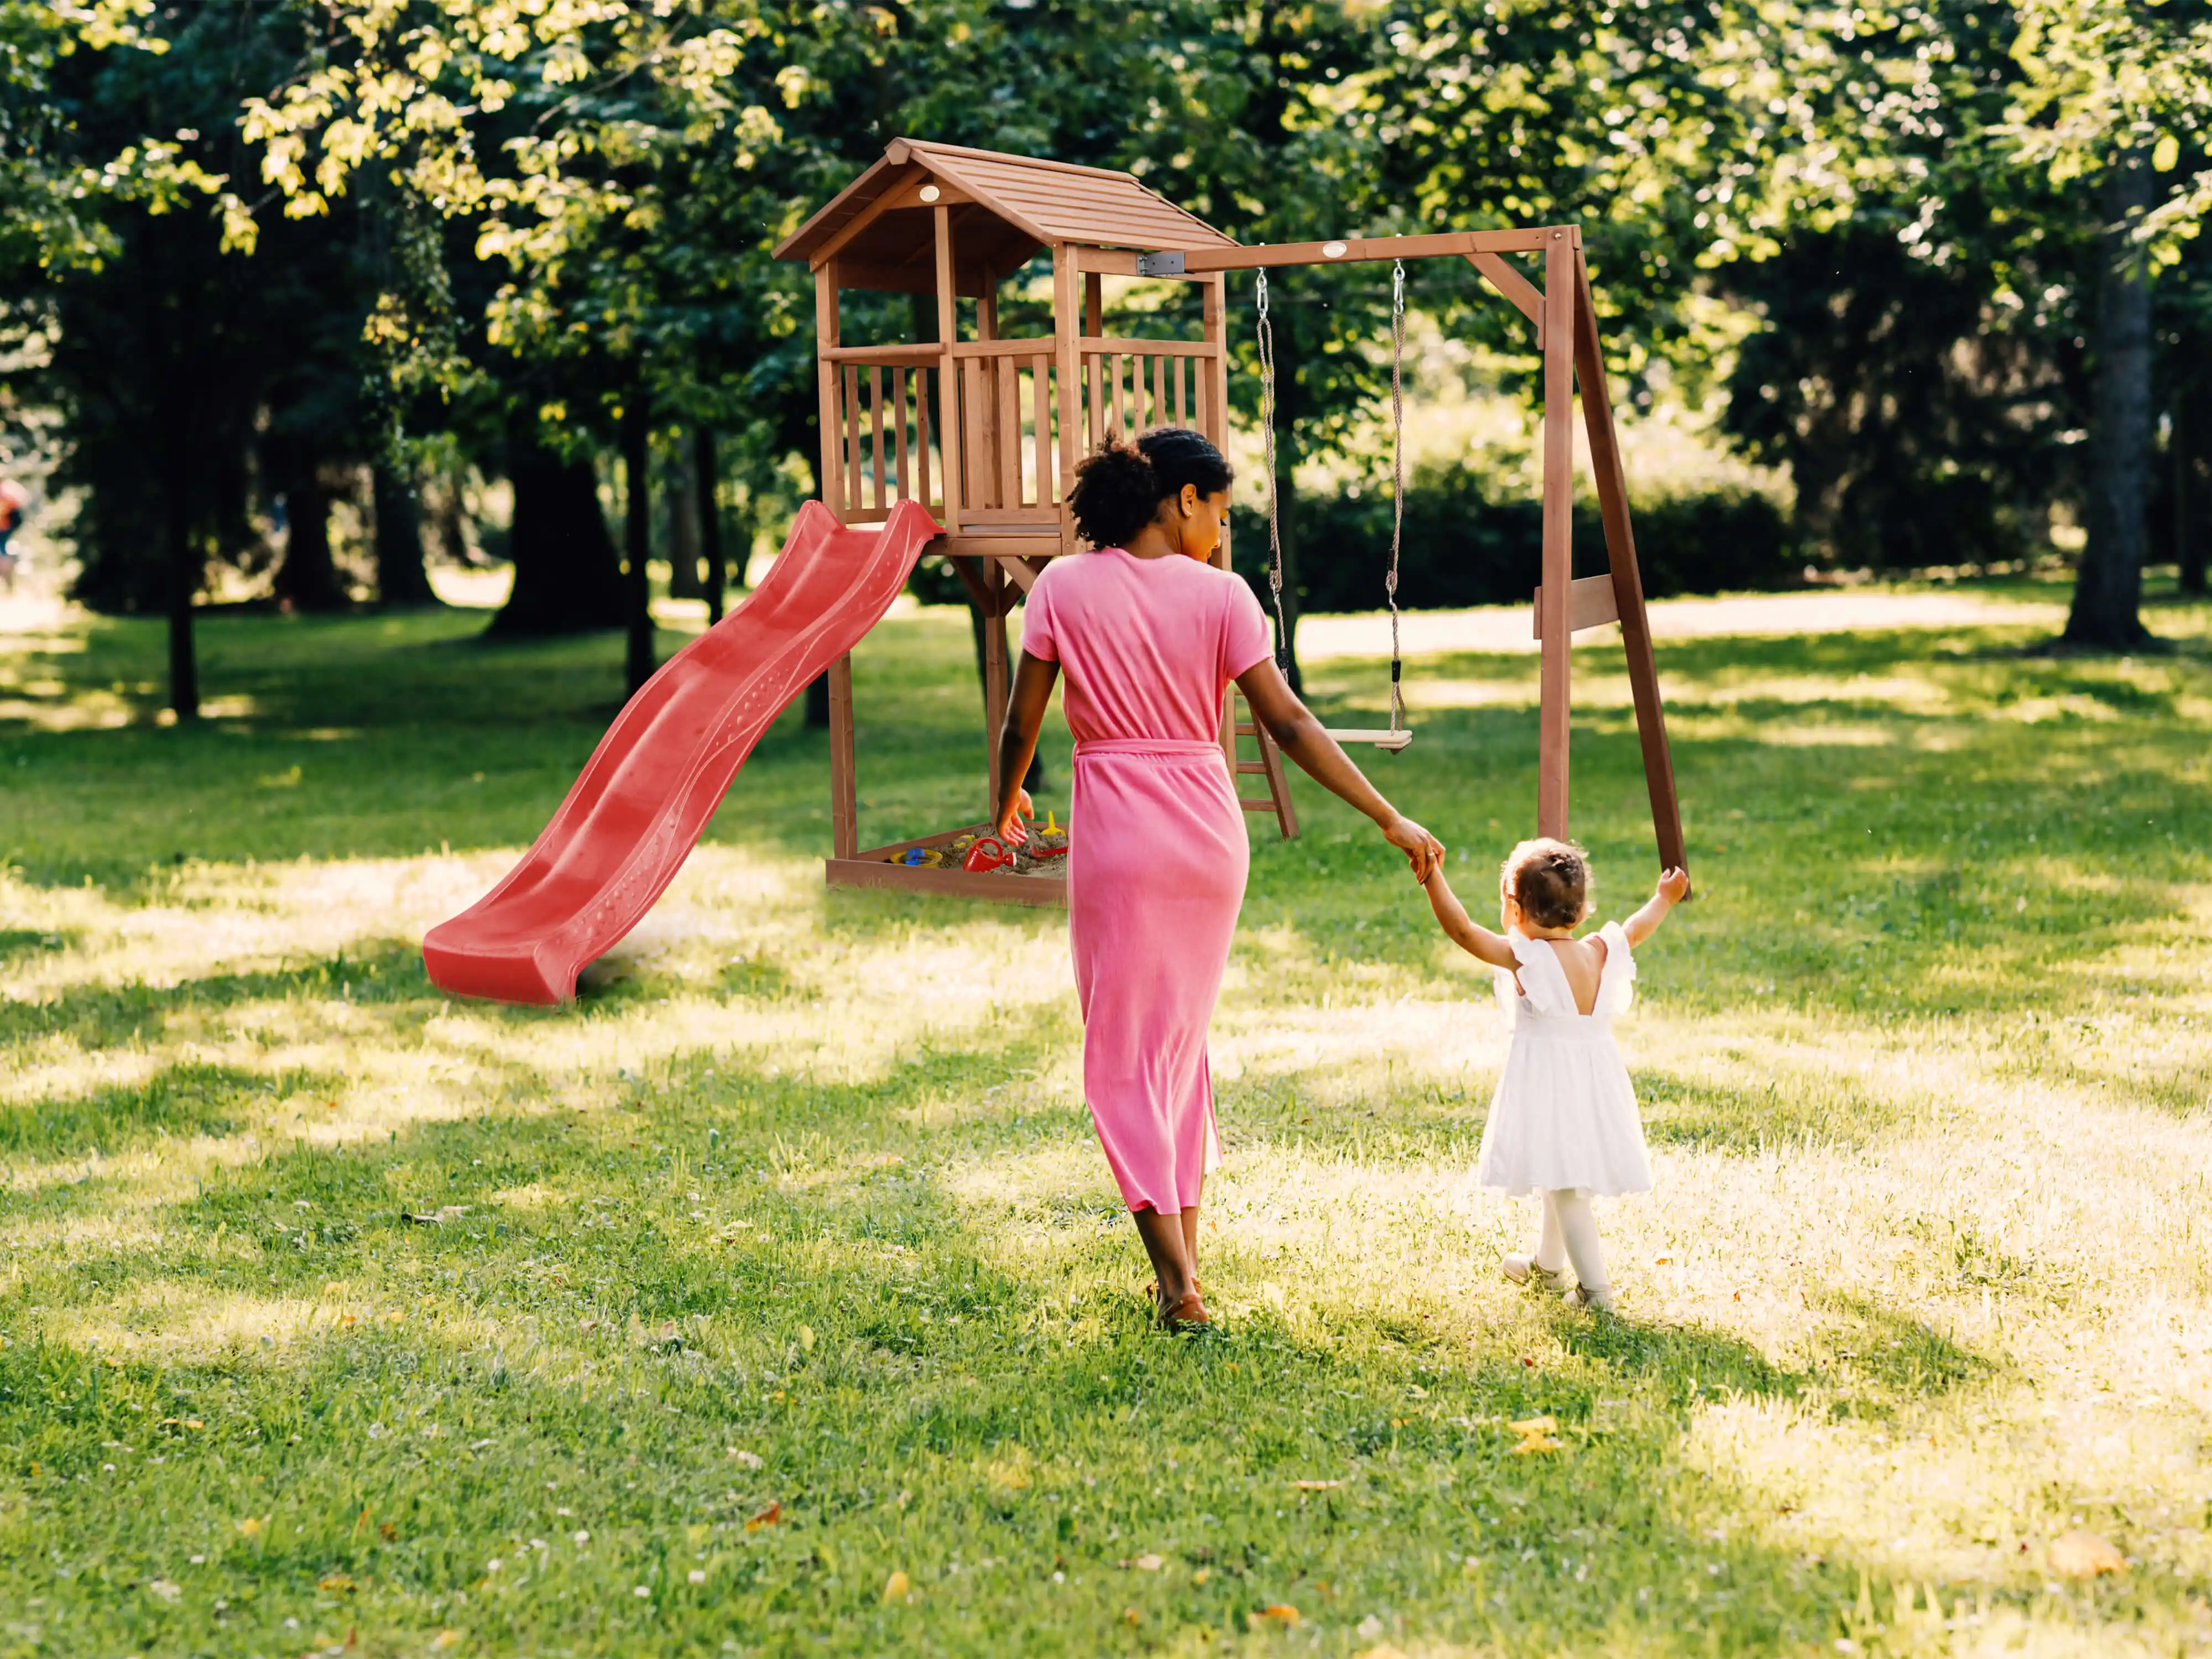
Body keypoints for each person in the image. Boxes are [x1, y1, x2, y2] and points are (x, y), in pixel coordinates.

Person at [993, 427, 1444, 1331]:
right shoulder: (1224, 598)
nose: (1224, 533)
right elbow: (1289, 725)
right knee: (1175, 1051)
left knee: (1123, 1058)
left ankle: (1177, 1284)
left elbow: (1020, 724)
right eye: (1222, 512)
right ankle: (1185, 1268)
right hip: (1207, 835)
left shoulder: (1061, 588)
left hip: (1120, 835)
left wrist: (1002, 806)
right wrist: (1386, 814)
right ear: (1183, 500)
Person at [1420, 838, 1689, 1311]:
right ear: (1581, 911)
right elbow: (1636, 928)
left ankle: (1595, 1292)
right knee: (1556, 1170)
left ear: (1516, 908)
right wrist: (1663, 899)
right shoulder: (1599, 951)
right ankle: (1547, 1266)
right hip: (1593, 1080)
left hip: (1551, 1084)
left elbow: (1462, 931)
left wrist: (1432, 876)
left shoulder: (1528, 959)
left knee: (1566, 1188)